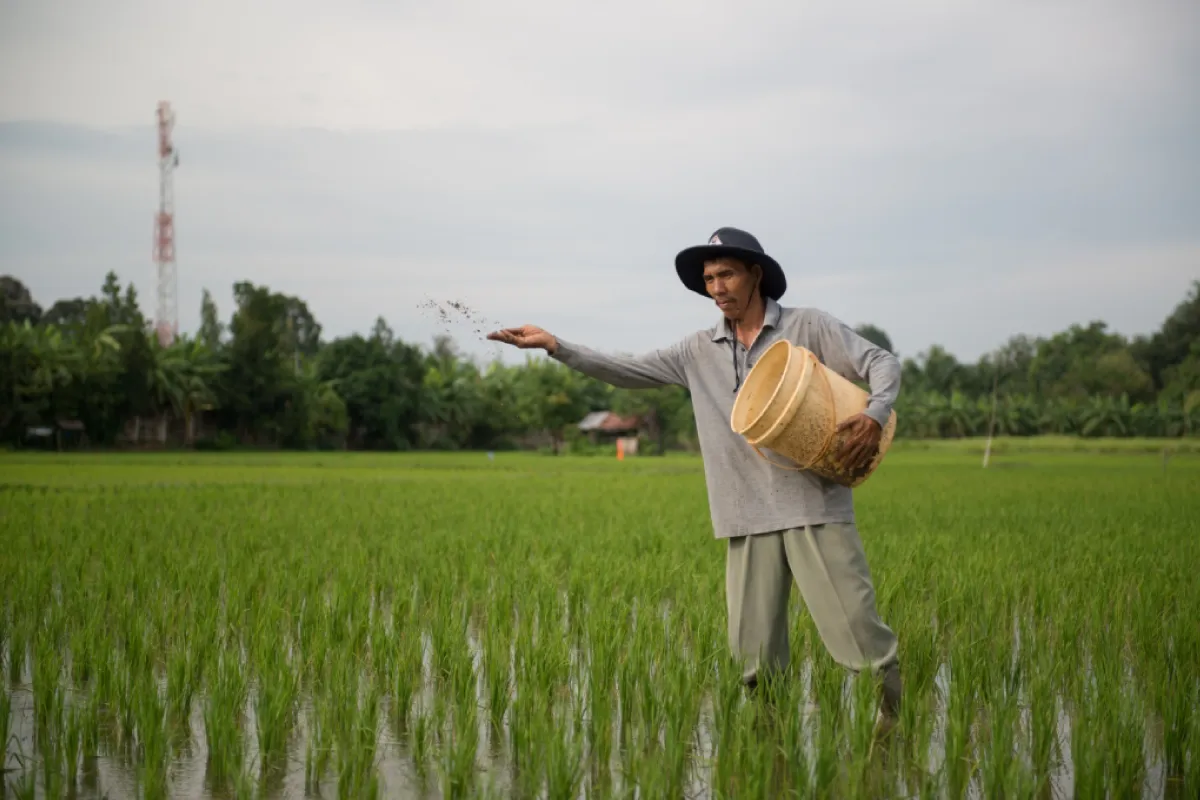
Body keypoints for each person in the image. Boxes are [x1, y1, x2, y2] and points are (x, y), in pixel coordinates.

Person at [487, 226, 902, 733]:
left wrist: (876, 412)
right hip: (744, 515)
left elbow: (880, 361)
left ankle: (896, 722)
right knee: (754, 660)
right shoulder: (696, 350)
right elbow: (626, 369)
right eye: (709, 279)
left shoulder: (807, 327)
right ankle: (767, 749)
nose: (718, 287)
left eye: (726, 274)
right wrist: (557, 346)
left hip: (814, 505)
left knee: (859, 635)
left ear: (755, 274)